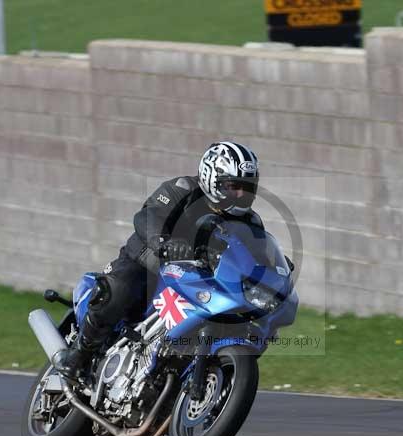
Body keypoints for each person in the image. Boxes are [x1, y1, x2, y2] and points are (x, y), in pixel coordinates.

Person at [52, 141, 263, 380]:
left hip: (199, 280)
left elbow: (258, 256)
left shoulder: (250, 222)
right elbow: (148, 215)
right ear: (212, 178)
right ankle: (80, 355)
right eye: (234, 186)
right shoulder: (183, 189)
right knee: (121, 289)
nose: (240, 194)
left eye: (247, 188)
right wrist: (164, 243)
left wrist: (271, 275)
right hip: (149, 261)